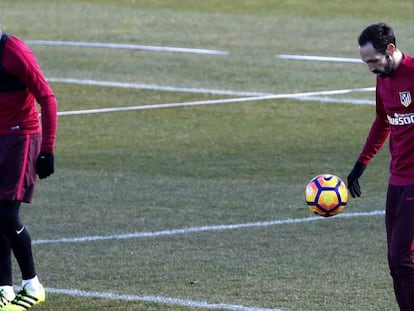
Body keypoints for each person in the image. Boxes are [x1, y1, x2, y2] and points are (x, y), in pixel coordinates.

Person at [348, 22, 414, 310]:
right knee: (394, 262)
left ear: (390, 50)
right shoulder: (383, 79)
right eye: (366, 63)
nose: (371, 68)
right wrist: (361, 164)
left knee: (404, 259)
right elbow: (382, 121)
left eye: (373, 61)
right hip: (397, 180)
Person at [0, 31, 57, 310]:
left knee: (6, 212)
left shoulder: (14, 51)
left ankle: (32, 286)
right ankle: (4, 290)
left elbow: (47, 97)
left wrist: (46, 150)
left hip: (21, 138)